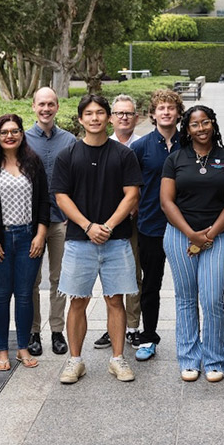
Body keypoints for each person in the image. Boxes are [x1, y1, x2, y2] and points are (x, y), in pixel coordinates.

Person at [52, 95, 143, 384]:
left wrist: (108, 226)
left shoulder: (124, 155)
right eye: (89, 114)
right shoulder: (68, 155)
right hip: (79, 241)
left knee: (115, 300)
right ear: (80, 119)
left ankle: (117, 359)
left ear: (109, 117)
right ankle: (75, 361)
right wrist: (88, 226)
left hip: (117, 241)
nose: (95, 118)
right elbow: (61, 197)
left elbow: (132, 194)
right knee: (77, 301)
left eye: (100, 113)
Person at [160, 105, 224, 382]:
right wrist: (191, 234)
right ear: (187, 129)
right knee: (185, 298)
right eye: (194, 124)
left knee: (212, 299)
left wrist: (209, 235)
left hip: (218, 237)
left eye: (205, 122)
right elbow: (166, 201)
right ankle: (189, 359)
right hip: (179, 236)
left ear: (213, 124)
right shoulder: (175, 159)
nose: (201, 128)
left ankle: (215, 359)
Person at [0, 114, 50, 371]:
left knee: (25, 296)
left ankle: (22, 348)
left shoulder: (33, 163)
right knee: (1, 295)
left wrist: (40, 235)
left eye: (15, 131)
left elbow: (44, 201)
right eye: (4, 132)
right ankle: (2, 351)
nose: (10, 136)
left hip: (29, 237)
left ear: (21, 134)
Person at [130, 89, 184, 361]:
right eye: (161, 108)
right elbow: (131, 187)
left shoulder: (190, 144)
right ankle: (148, 337)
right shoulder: (140, 147)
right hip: (151, 226)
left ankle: (190, 339)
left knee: (189, 287)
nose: (166, 112)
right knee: (151, 285)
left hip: (186, 227)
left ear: (178, 113)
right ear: (152, 114)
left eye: (171, 107)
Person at [25, 87, 77, 357]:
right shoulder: (22, 140)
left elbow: (77, 179)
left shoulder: (69, 140)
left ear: (57, 107)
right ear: (33, 106)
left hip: (60, 221)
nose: (46, 109)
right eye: (41, 104)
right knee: (31, 279)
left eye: (51, 104)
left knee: (59, 278)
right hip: (30, 222)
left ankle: (57, 331)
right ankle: (34, 331)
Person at [94, 93, 143, 349]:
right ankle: (113, 327)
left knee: (133, 274)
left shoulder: (143, 146)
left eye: (129, 113)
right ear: (111, 118)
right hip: (104, 221)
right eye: (119, 113)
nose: (124, 117)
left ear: (136, 117)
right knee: (108, 276)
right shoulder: (101, 145)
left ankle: (132, 327)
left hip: (135, 220)